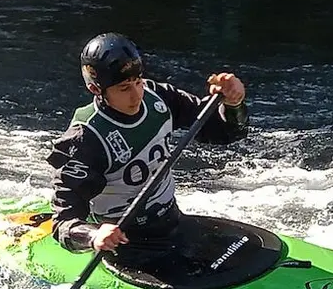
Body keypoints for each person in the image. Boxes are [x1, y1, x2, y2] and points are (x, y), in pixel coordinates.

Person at [45, 32, 248, 275]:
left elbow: (224, 132)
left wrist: (232, 103)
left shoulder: (157, 97)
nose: (136, 95)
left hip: (172, 222)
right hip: (129, 245)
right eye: (123, 88)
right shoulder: (85, 139)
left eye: (138, 81)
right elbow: (62, 221)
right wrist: (93, 234)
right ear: (95, 88)